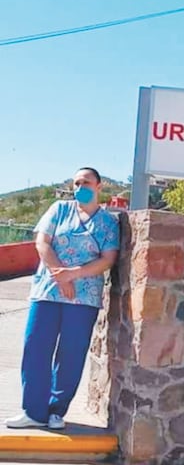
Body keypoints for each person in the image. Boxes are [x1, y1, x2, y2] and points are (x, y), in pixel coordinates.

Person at [7, 167, 119, 430]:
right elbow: (42, 243)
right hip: (48, 290)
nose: (80, 186)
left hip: (84, 296)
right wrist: (60, 275)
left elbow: (108, 258)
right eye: (77, 182)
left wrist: (75, 275)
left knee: (71, 353)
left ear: (99, 186)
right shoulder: (59, 210)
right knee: (36, 347)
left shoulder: (107, 222)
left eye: (86, 182)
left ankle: (56, 410)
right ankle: (33, 411)